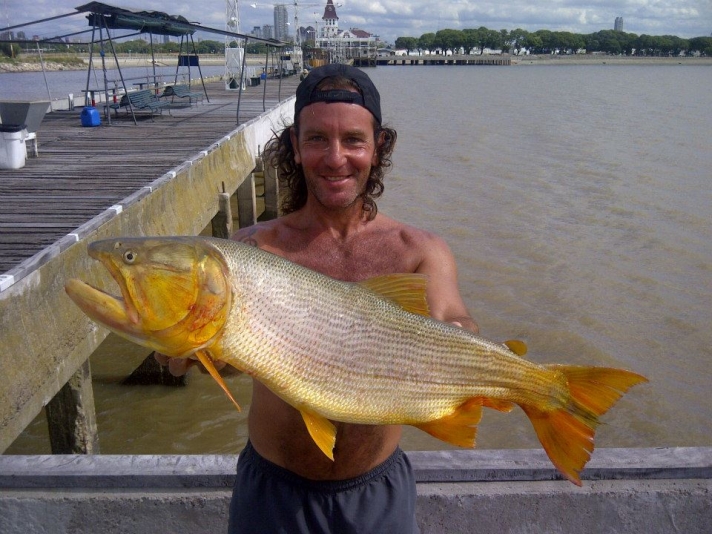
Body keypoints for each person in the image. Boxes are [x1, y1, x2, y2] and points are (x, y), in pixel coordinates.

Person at [157, 64, 477, 533]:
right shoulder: (248, 252)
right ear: (294, 145)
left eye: (353, 139)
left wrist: (460, 341)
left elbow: (456, 320)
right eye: (316, 140)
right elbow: (218, 359)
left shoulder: (419, 250)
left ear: (379, 145)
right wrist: (187, 350)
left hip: (377, 490)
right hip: (273, 493)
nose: (335, 158)